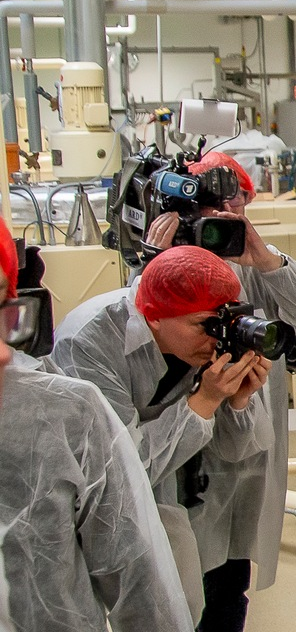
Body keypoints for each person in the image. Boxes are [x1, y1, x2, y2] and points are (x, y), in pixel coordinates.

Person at [141, 151, 296, 631]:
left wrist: (263, 257)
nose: (220, 218)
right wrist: (154, 262)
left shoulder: (252, 265)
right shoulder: (164, 268)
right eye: (207, 207)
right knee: (176, 587)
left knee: (229, 585)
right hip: (179, 458)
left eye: (232, 203)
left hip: (244, 459)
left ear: (247, 200)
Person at [52, 245, 273, 624]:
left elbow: (239, 452)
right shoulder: (90, 341)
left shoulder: (207, 342)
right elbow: (118, 475)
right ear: (153, 317)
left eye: (223, 321)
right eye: (203, 324)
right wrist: (204, 400)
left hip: (193, 495)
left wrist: (238, 400)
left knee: (212, 600)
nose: (215, 338)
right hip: (109, 507)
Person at [0, 222, 193, 632]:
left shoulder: (64, 414)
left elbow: (139, 588)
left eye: (2, 303)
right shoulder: (93, 339)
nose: (3, 353)